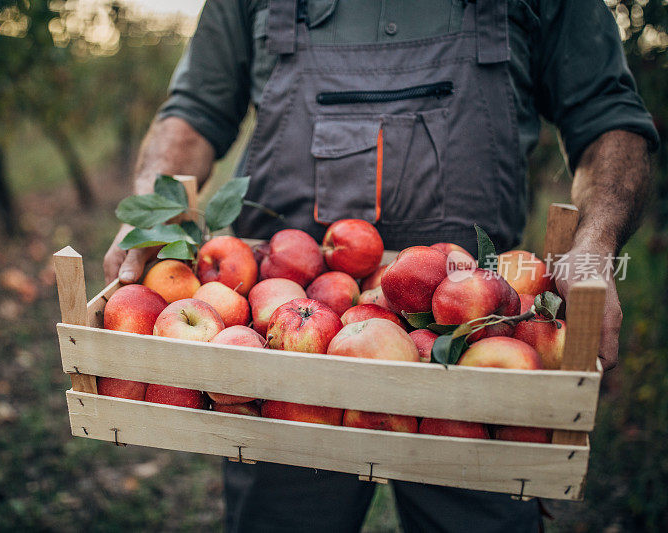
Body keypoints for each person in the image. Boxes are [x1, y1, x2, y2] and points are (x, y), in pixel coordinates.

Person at [104, 1, 658, 531]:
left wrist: (594, 243)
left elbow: (606, 115)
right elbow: (195, 110)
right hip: (283, 359)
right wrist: (153, 209)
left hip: (477, 342)